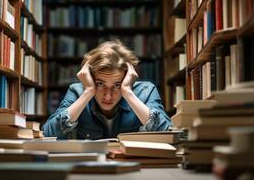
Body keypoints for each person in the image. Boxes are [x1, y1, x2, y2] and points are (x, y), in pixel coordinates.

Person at [42, 40, 171, 139]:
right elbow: (49, 135)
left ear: (128, 78)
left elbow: (167, 135)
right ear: (91, 78)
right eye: (101, 84)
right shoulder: (78, 92)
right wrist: (88, 92)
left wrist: (127, 91)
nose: (108, 96)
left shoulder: (146, 91)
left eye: (116, 85)